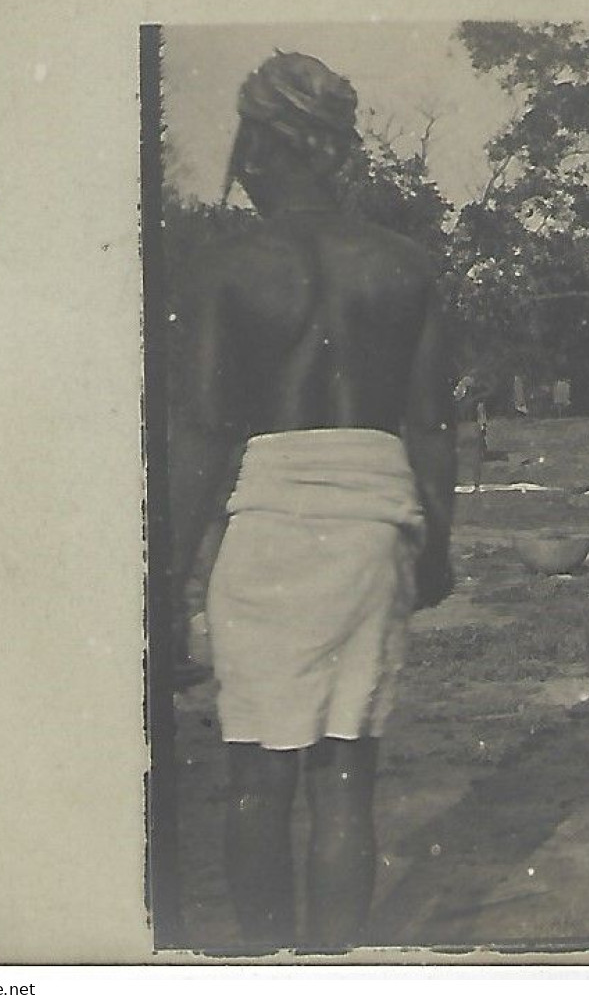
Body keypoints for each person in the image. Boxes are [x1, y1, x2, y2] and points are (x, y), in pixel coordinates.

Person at [179, 52, 455, 949]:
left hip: (267, 527)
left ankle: (263, 965)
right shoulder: (404, 266)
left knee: (258, 779)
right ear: (335, 151)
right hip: (376, 524)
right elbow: (429, 425)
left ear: (260, 144)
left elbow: (205, 433)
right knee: (345, 780)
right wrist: (437, 547)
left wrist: (169, 573)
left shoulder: (229, 267)